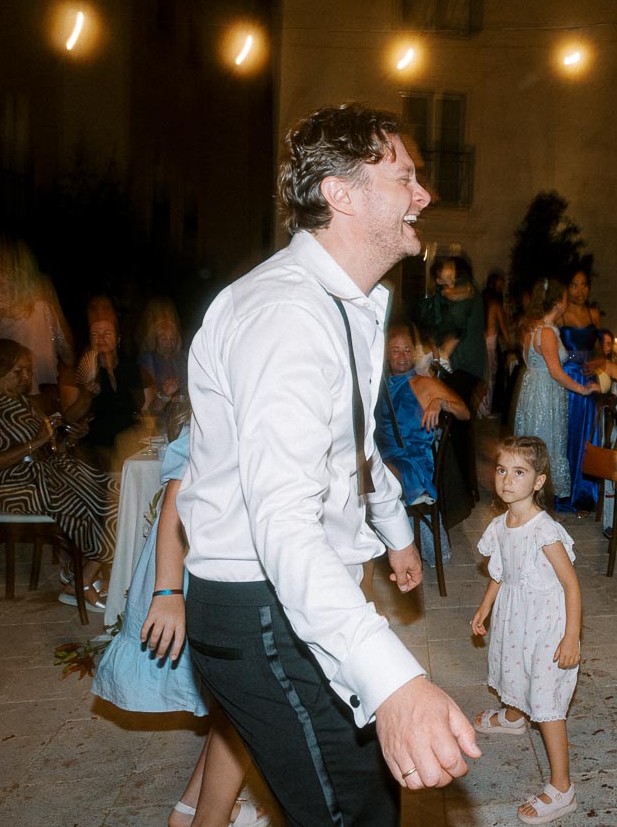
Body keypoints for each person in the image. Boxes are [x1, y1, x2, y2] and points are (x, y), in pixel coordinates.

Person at [176, 102, 480, 825]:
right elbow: (282, 521)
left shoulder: (339, 304)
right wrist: (394, 680)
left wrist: (394, 531)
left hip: (289, 600)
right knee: (358, 813)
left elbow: (352, 444)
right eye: (404, 177)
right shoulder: (286, 314)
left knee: (364, 799)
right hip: (261, 608)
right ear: (340, 194)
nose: (423, 195)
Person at [92, 415, 269, 827]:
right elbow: (179, 488)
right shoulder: (231, 386)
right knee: (253, 696)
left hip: (245, 551)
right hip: (211, 561)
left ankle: (193, 808)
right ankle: (209, 817)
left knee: (241, 698)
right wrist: (168, 592)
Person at [470, 436, 582, 824]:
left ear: (538, 482)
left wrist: (570, 636)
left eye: (519, 473)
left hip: (548, 626)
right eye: (502, 470)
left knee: (547, 700)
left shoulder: (544, 530)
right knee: (513, 668)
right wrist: (485, 606)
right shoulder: (501, 524)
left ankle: (562, 787)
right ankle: (515, 717)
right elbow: (500, 572)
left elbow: (571, 585)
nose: (506, 480)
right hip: (516, 619)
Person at [0, 339, 116, 611]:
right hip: (14, 485)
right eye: (18, 371)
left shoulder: (25, 402)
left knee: (113, 487)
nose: (27, 377)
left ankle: (83, 572)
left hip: (45, 473)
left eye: (28, 370)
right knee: (77, 493)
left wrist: (66, 439)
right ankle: (81, 579)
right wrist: (36, 442)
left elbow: (53, 439)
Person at [374, 322, 470, 567]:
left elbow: (465, 412)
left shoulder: (423, 384)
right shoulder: (377, 385)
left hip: (414, 464)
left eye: (407, 350)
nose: (403, 356)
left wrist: (440, 402)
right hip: (383, 457)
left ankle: (392, 549)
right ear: (386, 354)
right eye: (396, 350)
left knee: (374, 479)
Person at [514, 278, 595, 501]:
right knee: (546, 445)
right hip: (545, 396)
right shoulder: (547, 332)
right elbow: (555, 371)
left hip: (532, 391)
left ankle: (531, 499)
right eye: (566, 300)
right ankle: (542, 505)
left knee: (535, 446)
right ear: (559, 303)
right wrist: (582, 389)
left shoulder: (532, 329)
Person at [0, 236, 73, 395]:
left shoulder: (43, 310)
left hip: (45, 400)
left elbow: (68, 356)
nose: (2, 286)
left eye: (8, 276)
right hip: (8, 404)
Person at [420, 255, 486, 502]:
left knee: (457, 426)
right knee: (457, 427)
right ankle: (462, 488)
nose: (445, 281)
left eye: (449, 275)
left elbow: (454, 325)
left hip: (465, 366)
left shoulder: (466, 290)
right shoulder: (450, 296)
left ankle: (463, 490)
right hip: (459, 367)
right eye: (441, 277)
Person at [66, 307, 148, 470]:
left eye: (107, 333)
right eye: (95, 334)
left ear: (118, 338)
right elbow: (68, 418)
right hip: (96, 447)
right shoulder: (79, 371)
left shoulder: (131, 368)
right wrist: (86, 397)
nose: (101, 338)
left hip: (130, 443)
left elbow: (143, 407)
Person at [557, 268, 603, 512]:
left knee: (589, 435)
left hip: (589, 379)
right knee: (569, 435)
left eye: (584, 285)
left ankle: (586, 492)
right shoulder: (560, 315)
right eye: (574, 285)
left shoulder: (593, 313)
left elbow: (600, 349)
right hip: (568, 379)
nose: (580, 291)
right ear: (567, 288)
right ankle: (566, 492)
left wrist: (598, 360)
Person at [139, 298, 188, 412]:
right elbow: (148, 400)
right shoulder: (147, 360)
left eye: (172, 339)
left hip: (182, 410)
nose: (169, 343)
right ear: (155, 339)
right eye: (164, 339)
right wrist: (167, 396)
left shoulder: (182, 358)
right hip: (159, 415)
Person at [480, 272, 512, 418]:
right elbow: (504, 328)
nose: (503, 287)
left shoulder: (483, 300)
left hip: (481, 341)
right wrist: (511, 345)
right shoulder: (495, 303)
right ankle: (485, 409)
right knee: (490, 377)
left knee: (484, 375)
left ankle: (482, 408)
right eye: (501, 284)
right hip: (490, 343)